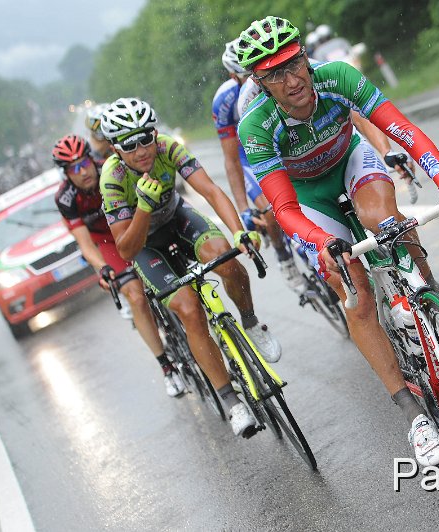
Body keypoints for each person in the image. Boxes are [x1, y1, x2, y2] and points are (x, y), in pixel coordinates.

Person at [235, 16, 439, 466]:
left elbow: (401, 128)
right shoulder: (255, 127)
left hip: (351, 160)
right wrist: (322, 242)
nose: (292, 81)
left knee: (385, 218)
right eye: (275, 75)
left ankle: (429, 296)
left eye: (294, 64)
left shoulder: (338, 78)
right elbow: (285, 210)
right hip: (307, 196)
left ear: (306, 58)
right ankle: (413, 417)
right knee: (354, 290)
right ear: (260, 83)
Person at [98, 97, 282, 436]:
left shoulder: (167, 148)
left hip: (177, 219)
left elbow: (210, 190)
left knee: (225, 256)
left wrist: (239, 231)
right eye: (129, 143)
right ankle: (231, 400)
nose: (141, 149)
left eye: (146, 137)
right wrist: (143, 206)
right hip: (144, 244)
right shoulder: (112, 178)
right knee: (188, 309)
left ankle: (251, 322)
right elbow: (126, 247)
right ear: (114, 148)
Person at [51, 134, 186, 397]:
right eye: (74, 169)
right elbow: (84, 243)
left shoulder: (112, 169)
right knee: (136, 296)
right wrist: (102, 267)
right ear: (66, 175)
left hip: (132, 227)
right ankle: (167, 367)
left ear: (92, 159)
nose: (83, 172)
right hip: (106, 241)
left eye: (84, 163)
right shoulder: (66, 198)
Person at [213, 40, 303, 292]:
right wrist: (243, 208)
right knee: (271, 208)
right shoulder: (226, 101)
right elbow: (231, 159)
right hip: (249, 152)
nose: (254, 78)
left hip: (281, 138)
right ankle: (284, 258)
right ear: (233, 76)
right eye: (245, 75)